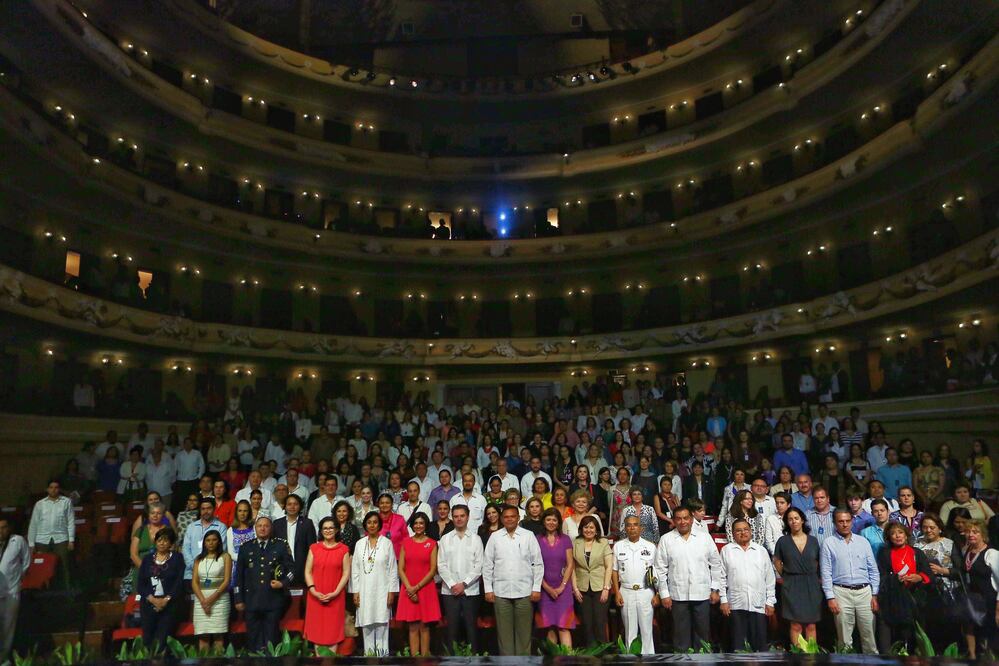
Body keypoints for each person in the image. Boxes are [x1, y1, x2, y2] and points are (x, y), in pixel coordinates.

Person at [654, 506, 722, 651]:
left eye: (686, 518)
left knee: (702, 635)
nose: (682, 521)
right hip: (678, 595)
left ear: (691, 519)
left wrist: (715, 589)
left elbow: (716, 564)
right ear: (673, 520)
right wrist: (664, 594)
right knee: (680, 637)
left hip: (702, 594)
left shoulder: (704, 537)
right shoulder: (666, 539)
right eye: (678, 518)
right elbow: (660, 569)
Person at [482, 504, 544, 656]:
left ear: (518, 518)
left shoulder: (528, 536)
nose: (509, 519)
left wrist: (536, 588)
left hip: (525, 592)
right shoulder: (495, 537)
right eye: (506, 517)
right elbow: (487, 565)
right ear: (502, 519)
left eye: (512, 516)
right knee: (504, 636)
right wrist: (488, 589)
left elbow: (538, 563)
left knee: (524, 635)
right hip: (500, 593)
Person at [820, 508, 880, 654]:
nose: (845, 524)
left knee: (869, 637)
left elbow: (873, 569)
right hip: (841, 592)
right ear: (835, 523)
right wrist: (830, 597)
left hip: (865, 592)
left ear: (852, 521)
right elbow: (826, 573)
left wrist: (874, 594)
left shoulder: (863, 542)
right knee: (844, 639)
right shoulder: (828, 543)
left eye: (848, 521)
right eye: (841, 521)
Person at [234, 516, 295, 652]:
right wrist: (238, 599)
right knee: (252, 638)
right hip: (251, 601)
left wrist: (283, 583)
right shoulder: (246, 547)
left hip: (273, 600)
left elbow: (292, 569)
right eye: (259, 526)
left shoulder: (280, 545)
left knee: (271, 638)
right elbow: (238, 576)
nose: (263, 528)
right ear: (255, 528)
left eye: (266, 525)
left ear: (271, 528)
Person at [718, 518, 776, 652]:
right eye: (738, 530)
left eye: (745, 530)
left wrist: (770, 601)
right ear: (732, 533)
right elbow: (721, 577)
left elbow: (769, 578)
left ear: (751, 532)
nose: (742, 533)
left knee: (759, 647)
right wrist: (723, 600)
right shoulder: (727, 550)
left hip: (758, 605)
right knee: (738, 647)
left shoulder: (760, 551)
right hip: (735, 604)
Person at [876, 522, 934, 653]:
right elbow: (881, 576)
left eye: (900, 532)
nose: (897, 536)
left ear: (906, 535)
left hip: (914, 599)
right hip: (893, 601)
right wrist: (895, 579)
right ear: (889, 537)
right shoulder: (885, 553)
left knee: (914, 637)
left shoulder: (917, 553)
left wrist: (919, 577)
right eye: (893, 533)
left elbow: (928, 574)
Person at [351, 511, 399, 656]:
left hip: (382, 591)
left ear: (379, 525)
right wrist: (355, 592)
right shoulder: (359, 544)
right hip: (364, 591)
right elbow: (355, 570)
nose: (372, 525)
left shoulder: (387, 543)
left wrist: (392, 592)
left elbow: (392, 569)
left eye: (375, 522)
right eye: (369, 522)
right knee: (367, 624)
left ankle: (383, 657)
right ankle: (369, 657)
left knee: (382, 624)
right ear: (365, 525)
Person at [437, 504, 484, 653]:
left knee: (471, 629)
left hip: (470, 590)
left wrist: (464, 584)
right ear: (452, 518)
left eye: (462, 516)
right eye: (456, 516)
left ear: (468, 517)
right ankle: (451, 660)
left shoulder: (476, 539)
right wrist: (453, 584)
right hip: (449, 592)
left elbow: (479, 566)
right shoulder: (445, 539)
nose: (459, 519)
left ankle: (474, 659)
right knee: (452, 629)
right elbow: (441, 565)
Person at [774, 507, 823, 646]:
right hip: (792, 584)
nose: (793, 521)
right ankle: (798, 656)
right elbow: (777, 561)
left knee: (811, 625)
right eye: (790, 519)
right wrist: (786, 575)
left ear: (802, 520)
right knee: (796, 625)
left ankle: (811, 657)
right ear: (787, 522)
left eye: (796, 518)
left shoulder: (813, 541)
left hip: (811, 583)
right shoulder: (783, 541)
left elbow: (818, 560)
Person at [304, 517, 351, 654]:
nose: (328, 530)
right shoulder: (314, 548)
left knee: (332, 633)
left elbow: (346, 573)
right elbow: (307, 571)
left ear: (336, 530)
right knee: (317, 633)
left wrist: (336, 592)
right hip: (315, 597)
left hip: (335, 597)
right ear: (321, 530)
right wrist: (313, 590)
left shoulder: (343, 549)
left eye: (331, 528)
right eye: (325, 528)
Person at [614, 515, 660, 654]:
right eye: (629, 525)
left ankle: (649, 659)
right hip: (626, 591)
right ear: (625, 528)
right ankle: (630, 659)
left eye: (635, 525)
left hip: (645, 591)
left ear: (641, 528)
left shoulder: (650, 547)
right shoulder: (618, 546)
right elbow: (614, 570)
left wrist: (657, 593)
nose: (632, 528)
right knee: (629, 631)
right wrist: (617, 592)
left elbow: (656, 572)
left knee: (647, 630)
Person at [136, 527, 183, 648]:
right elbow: (140, 584)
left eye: (166, 540)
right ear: (155, 542)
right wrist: (153, 600)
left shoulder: (177, 558)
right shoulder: (147, 559)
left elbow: (179, 582)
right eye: (159, 540)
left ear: (171, 543)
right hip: (148, 606)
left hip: (169, 606)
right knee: (148, 640)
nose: (162, 543)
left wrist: (165, 600)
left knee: (163, 641)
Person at [960, 520, 999, 659]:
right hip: (972, 596)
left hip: (988, 597)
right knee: (969, 625)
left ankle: (990, 656)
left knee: (988, 629)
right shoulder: (966, 550)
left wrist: (998, 607)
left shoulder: (992, 553)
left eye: (975, 532)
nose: (971, 535)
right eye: (968, 532)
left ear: (983, 534)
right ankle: (972, 655)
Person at [536, 508, 575, 647]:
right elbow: (534, 566)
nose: (551, 522)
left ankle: (567, 659)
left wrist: (562, 587)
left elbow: (570, 564)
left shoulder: (565, 539)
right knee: (550, 626)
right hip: (544, 589)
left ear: (558, 522)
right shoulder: (537, 540)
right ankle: (552, 660)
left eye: (554, 520)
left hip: (563, 590)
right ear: (543, 521)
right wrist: (547, 588)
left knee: (564, 626)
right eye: (548, 519)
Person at [572, 515, 612, 646]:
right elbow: (571, 567)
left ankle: (603, 654)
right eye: (585, 527)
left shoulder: (603, 542)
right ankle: (589, 655)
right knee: (586, 623)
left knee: (599, 622)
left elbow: (609, 566)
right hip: (582, 588)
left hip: (600, 587)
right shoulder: (575, 542)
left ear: (596, 529)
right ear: (581, 529)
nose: (588, 530)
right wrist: (575, 589)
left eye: (591, 527)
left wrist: (606, 588)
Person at [27, 480, 74, 587]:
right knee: (42, 566)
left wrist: (71, 539)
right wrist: (31, 543)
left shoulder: (66, 502)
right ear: (47, 489)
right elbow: (33, 524)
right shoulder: (39, 504)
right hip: (42, 539)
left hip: (61, 538)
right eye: (51, 487)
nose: (53, 489)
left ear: (59, 489)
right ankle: (42, 589)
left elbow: (71, 521)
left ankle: (66, 589)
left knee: (64, 565)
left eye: (56, 487)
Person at [191, 529, 231, 652]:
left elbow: (226, 581)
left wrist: (211, 599)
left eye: (214, 540)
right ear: (204, 543)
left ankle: (218, 661)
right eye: (208, 540)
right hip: (201, 600)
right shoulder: (198, 558)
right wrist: (204, 601)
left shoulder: (225, 556)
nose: (211, 543)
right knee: (203, 635)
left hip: (219, 600)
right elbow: (194, 582)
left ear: (219, 542)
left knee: (218, 635)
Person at [123, 503, 169, 600]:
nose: (155, 516)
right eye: (152, 513)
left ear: (162, 515)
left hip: (162, 571)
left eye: (158, 513)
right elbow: (133, 554)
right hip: (141, 571)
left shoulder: (168, 531)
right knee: (140, 601)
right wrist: (146, 569)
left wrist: (157, 569)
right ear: (148, 514)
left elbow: (172, 552)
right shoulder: (140, 530)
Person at [0, 518, 30, 663]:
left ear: (9, 528)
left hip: (12, 591)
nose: (1, 531)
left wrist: (18, 580)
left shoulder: (17, 541)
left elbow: (26, 561)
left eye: (4, 527)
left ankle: (4, 659)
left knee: (8, 627)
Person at [272, 494, 317, 583]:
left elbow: (312, 547)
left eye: (295, 504)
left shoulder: (307, 523)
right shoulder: (277, 524)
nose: (292, 507)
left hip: (302, 566)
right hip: (282, 567)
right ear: (285, 506)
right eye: (289, 504)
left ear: (300, 506)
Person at [183, 498, 227, 583]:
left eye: (209, 508)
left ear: (214, 509)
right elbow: (186, 549)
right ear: (200, 510)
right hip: (191, 574)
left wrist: (206, 569)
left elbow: (221, 549)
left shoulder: (221, 527)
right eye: (203, 509)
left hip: (213, 573)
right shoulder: (191, 527)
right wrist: (195, 567)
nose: (206, 511)